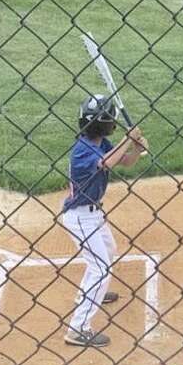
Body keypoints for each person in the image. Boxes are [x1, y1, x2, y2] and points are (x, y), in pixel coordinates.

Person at [61, 95, 148, 348]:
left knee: (108, 251)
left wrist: (137, 149)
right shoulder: (83, 151)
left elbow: (124, 161)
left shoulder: (98, 141)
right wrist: (128, 139)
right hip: (79, 218)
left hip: (94, 215)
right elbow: (106, 163)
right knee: (100, 268)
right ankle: (78, 329)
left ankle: (88, 295)